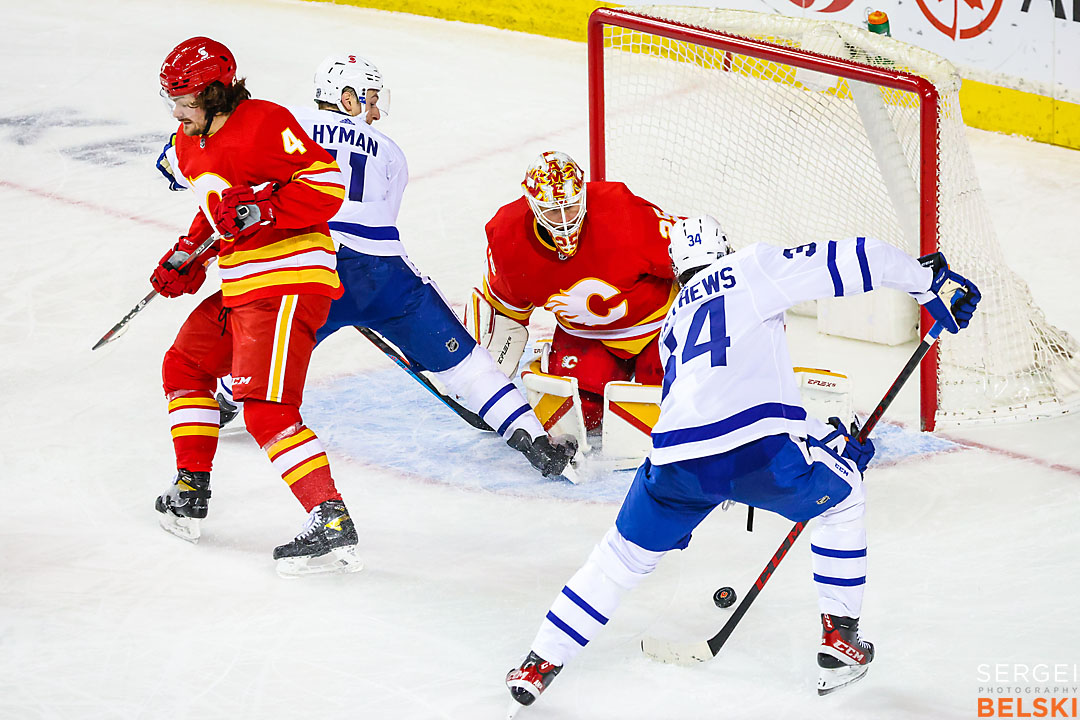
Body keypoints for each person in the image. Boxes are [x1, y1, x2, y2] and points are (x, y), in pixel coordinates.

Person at [504, 216, 981, 709]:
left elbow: (700, 411)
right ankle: (840, 640)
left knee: (619, 558)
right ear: (721, 248)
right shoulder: (750, 267)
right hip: (756, 452)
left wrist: (819, 442)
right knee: (842, 499)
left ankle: (539, 662)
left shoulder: (672, 324)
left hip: (674, 461)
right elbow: (861, 257)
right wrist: (929, 283)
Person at [156, 54, 577, 479]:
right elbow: (382, 221)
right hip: (381, 274)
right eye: (371, 98)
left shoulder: (279, 121)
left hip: (304, 266)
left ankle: (225, 397)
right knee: (464, 362)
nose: (375, 110)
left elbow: (210, 170)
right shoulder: (391, 152)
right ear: (347, 98)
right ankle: (534, 440)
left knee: (276, 347)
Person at [151, 37, 359, 577]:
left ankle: (330, 518)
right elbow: (217, 212)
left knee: (265, 405)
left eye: (188, 100)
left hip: (290, 279)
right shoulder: (187, 142)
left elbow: (326, 185)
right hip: (242, 285)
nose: (177, 111)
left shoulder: (263, 121)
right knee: (186, 365)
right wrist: (187, 255)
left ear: (217, 92)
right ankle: (191, 488)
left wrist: (264, 208)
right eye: (172, 99)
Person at [467, 151, 679, 434]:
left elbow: (692, 254)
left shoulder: (622, 210)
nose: (565, 220)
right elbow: (503, 313)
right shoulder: (509, 237)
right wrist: (485, 384)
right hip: (585, 335)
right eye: (553, 211)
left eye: (571, 206)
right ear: (532, 206)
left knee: (670, 411)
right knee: (575, 419)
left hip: (657, 326)